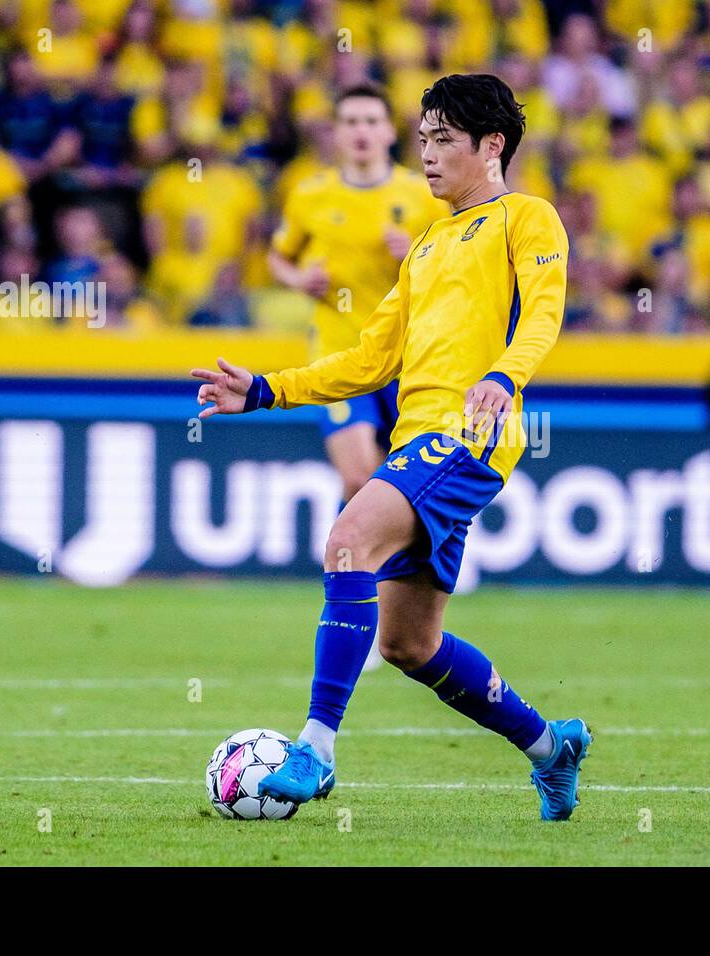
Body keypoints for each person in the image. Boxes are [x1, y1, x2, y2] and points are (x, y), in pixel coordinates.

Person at [192, 74, 591, 821]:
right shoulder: (430, 243)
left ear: (492, 144)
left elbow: (545, 312)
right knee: (411, 643)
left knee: (348, 538)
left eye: (444, 139)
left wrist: (504, 374)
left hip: (471, 432)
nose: (428, 155)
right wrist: (267, 389)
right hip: (420, 437)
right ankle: (550, 746)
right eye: (424, 139)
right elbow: (370, 361)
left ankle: (316, 747)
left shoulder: (527, 219)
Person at [269, 83, 449, 506]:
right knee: (358, 477)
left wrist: (413, 257)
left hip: (407, 356)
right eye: (350, 122)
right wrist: (299, 281)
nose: (361, 131)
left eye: (371, 121)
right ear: (335, 132)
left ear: (390, 132)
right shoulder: (310, 194)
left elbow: (455, 272)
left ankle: (386, 568)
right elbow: (278, 258)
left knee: (407, 486)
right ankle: (348, 568)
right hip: (341, 350)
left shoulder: (422, 195)